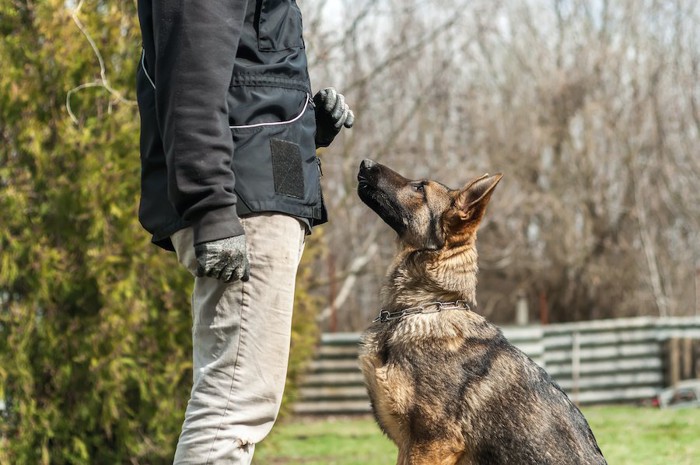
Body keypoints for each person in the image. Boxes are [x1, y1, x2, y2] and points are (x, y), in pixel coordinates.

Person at [135, 1, 354, 464]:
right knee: (233, 406)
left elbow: (250, 80)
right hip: (238, 206)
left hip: (262, 194)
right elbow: (190, 76)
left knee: (238, 401)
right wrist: (211, 206)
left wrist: (306, 128)